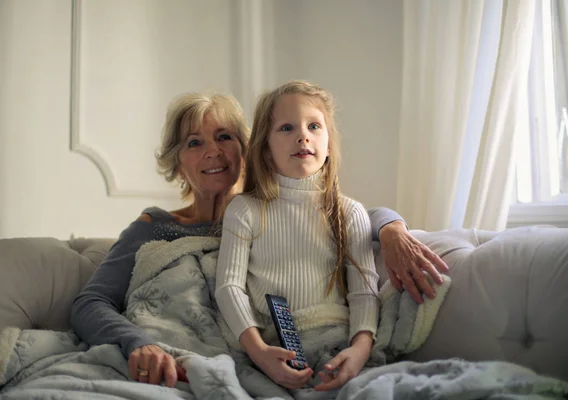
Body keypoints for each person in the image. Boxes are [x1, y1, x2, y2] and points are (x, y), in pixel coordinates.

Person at [70, 91, 448, 388]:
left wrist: (392, 229)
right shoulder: (153, 226)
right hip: (177, 357)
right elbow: (91, 302)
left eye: (224, 137)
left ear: (247, 149)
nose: (213, 151)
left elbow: (348, 215)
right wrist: (138, 343)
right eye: (194, 142)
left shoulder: (269, 212)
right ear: (177, 160)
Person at [216, 80, 379, 391]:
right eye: (286, 128)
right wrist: (260, 353)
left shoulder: (349, 213)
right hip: (273, 350)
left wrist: (359, 351)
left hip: (337, 343)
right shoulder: (245, 209)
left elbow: (364, 293)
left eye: (314, 126)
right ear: (265, 149)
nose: (303, 135)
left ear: (329, 145)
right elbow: (229, 286)